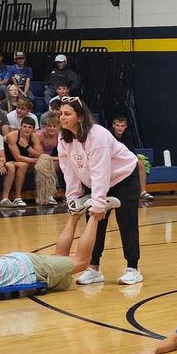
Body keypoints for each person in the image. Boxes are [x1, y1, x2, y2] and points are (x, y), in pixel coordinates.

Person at [58, 96, 143, 285]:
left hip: (123, 177)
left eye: (67, 114)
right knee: (95, 223)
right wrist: (73, 198)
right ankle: (93, 268)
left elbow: (101, 171)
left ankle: (133, 268)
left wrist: (98, 204)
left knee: (126, 221)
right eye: (61, 113)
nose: (62, 117)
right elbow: (69, 169)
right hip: (97, 180)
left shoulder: (97, 136)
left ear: (80, 117)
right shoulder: (64, 138)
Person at [3, 116, 43, 208]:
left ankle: (45, 195)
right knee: (23, 164)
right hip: (6, 159)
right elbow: (17, 157)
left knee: (44, 165)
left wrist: (27, 146)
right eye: (24, 126)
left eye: (30, 127)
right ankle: (18, 197)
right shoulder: (12, 135)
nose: (27, 129)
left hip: (22, 160)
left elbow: (39, 155)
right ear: (20, 126)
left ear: (33, 129)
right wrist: (36, 160)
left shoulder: (35, 137)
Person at [111, 116, 153, 202]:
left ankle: (143, 192)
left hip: (125, 159)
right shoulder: (109, 135)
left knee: (140, 163)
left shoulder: (128, 135)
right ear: (113, 125)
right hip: (112, 159)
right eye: (117, 125)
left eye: (122, 126)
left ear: (126, 126)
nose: (120, 128)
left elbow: (131, 152)